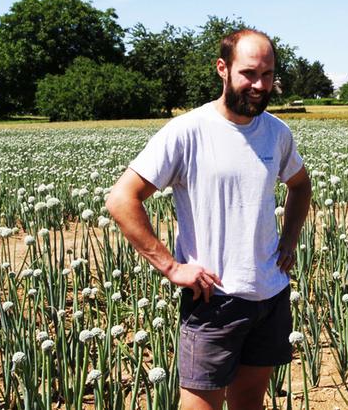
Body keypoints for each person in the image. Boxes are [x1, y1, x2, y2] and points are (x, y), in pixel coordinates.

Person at [105, 29, 312, 410]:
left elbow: (301, 186)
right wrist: (170, 266)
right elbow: (121, 199)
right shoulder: (188, 131)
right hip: (214, 300)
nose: (259, 84)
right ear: (223, 69)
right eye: (249, 73)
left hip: (270, 296)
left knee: (249, 401)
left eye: (267, 75)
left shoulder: (277, 133)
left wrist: (289, 240)